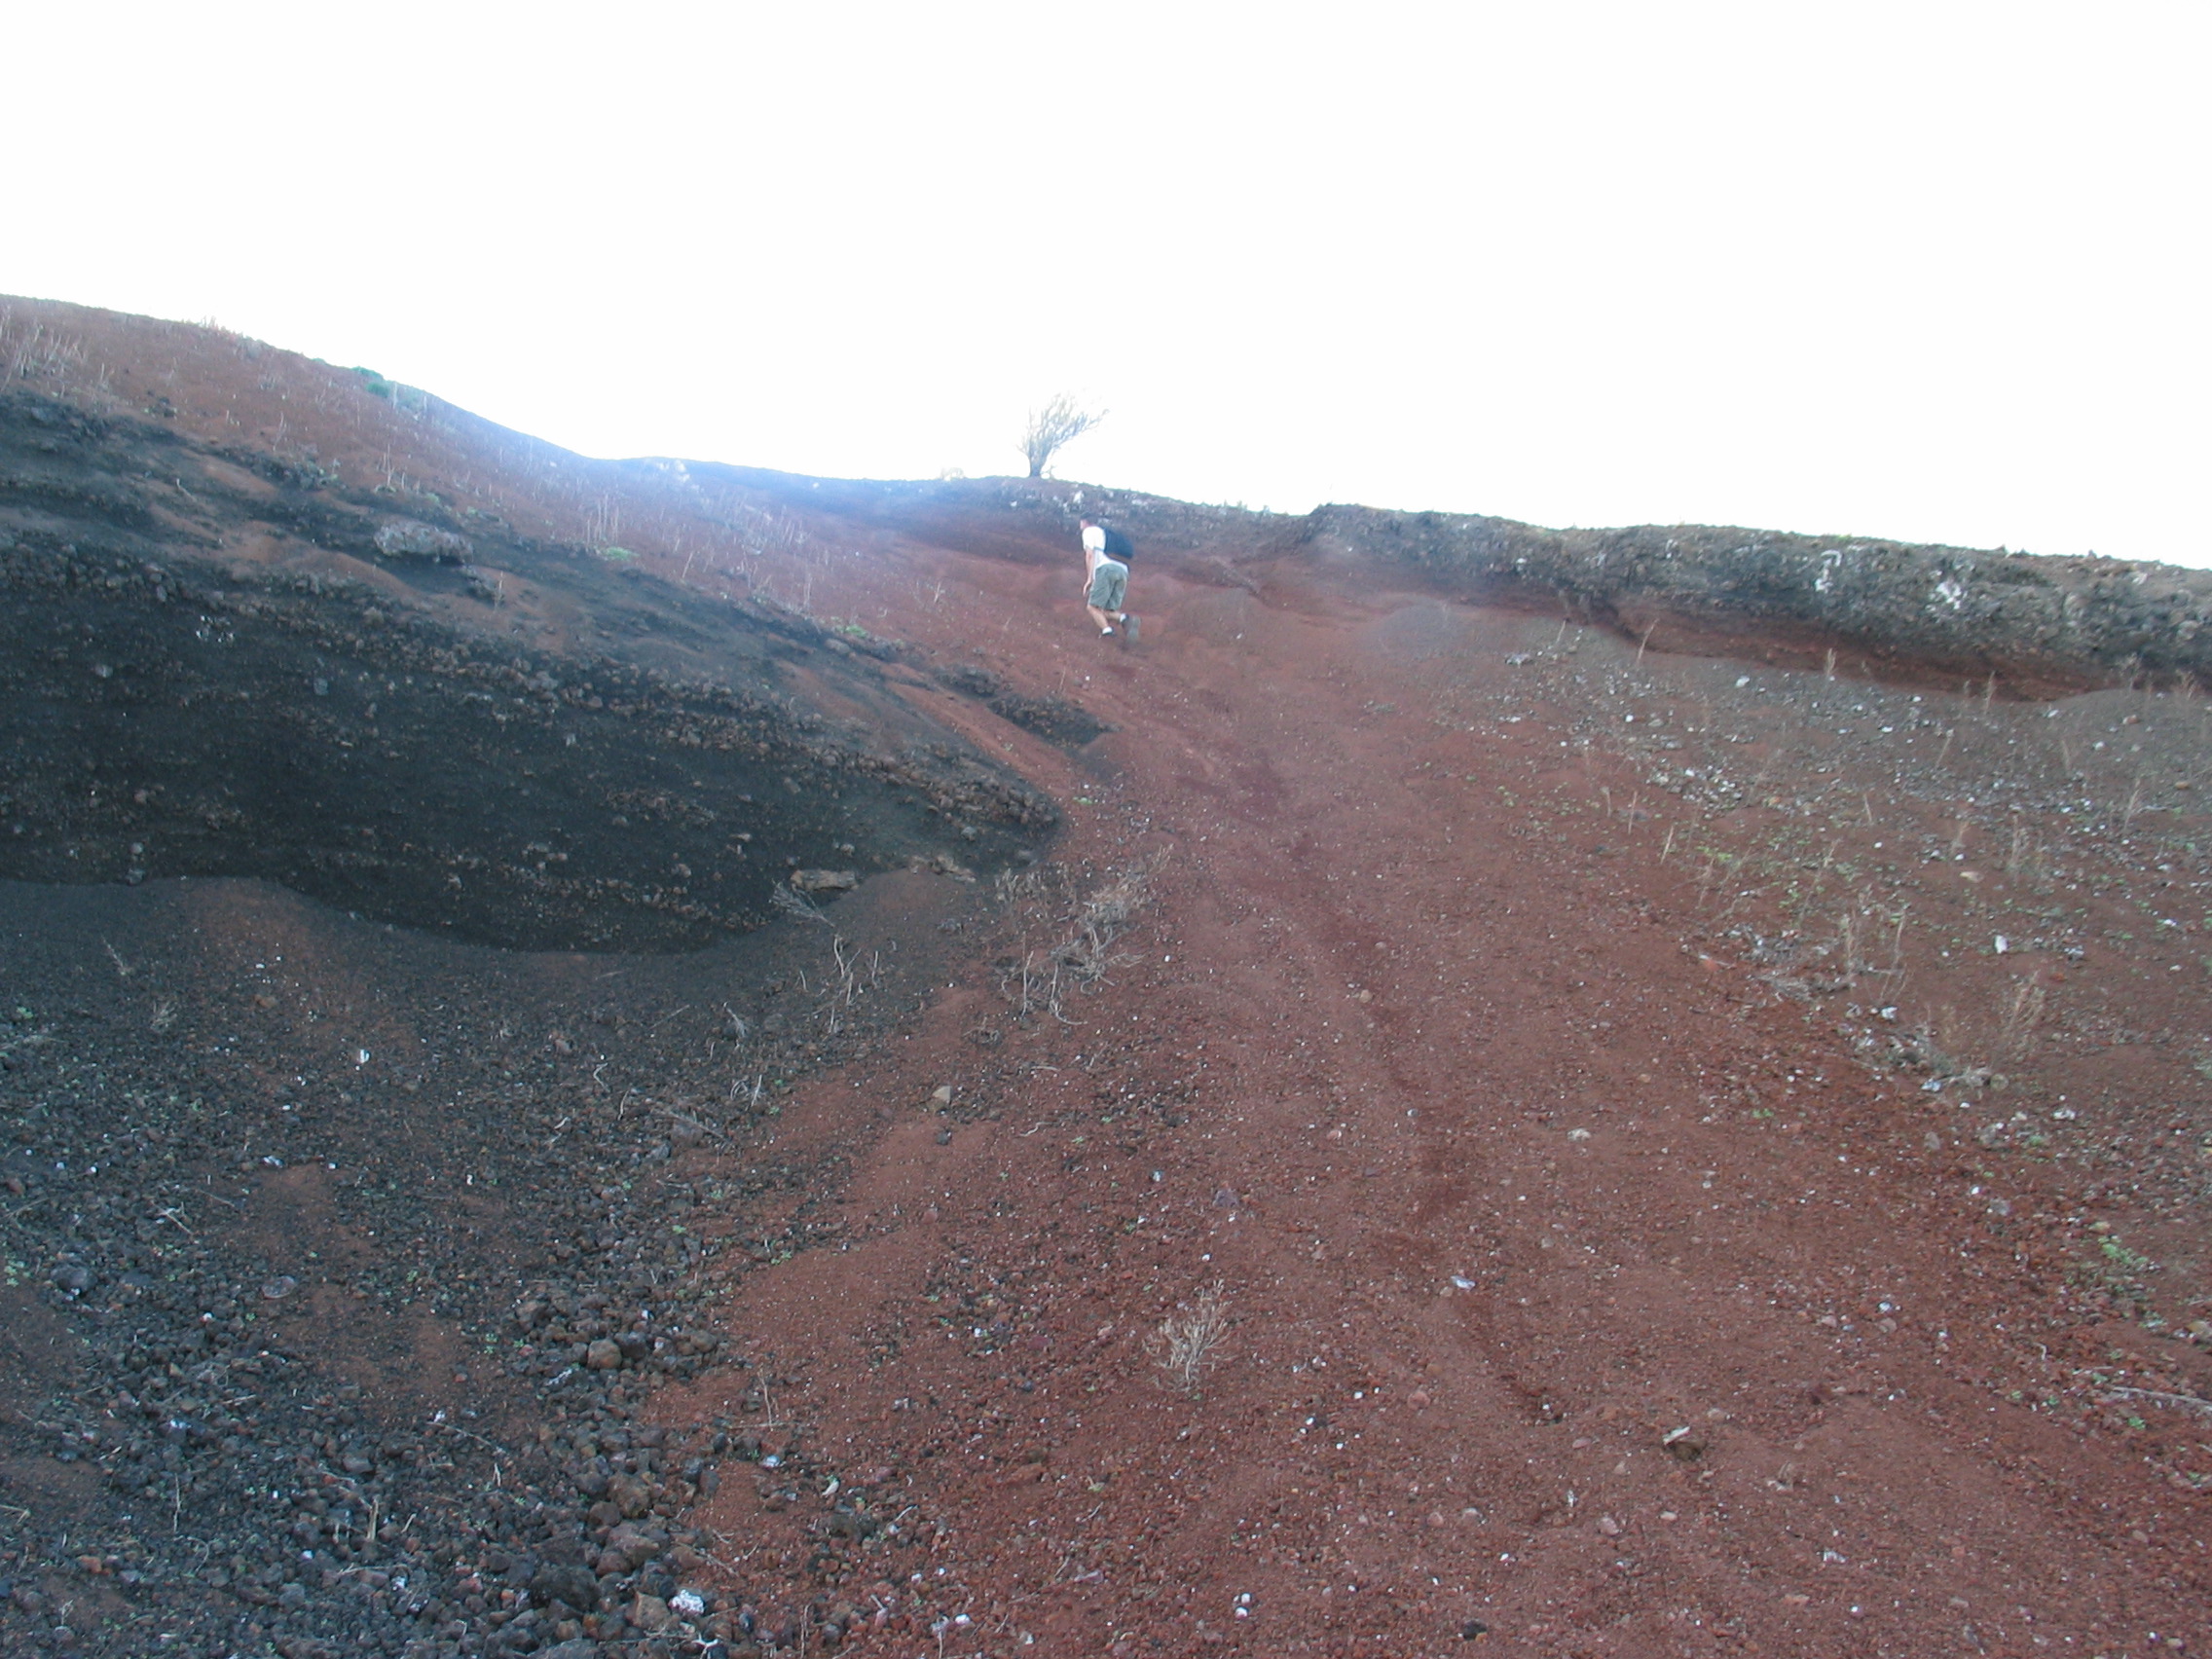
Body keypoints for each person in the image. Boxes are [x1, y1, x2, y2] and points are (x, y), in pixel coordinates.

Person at [1079, 518, 1137, 641]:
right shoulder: (1105, 533)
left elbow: (1090, 555)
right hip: (1123, 570)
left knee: (1092, 607)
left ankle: (1108, 633)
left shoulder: (1089, 531)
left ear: (1084, 521)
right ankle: (1125, 619)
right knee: (1106, 610)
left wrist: (1090, 578)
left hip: (1106, 569)